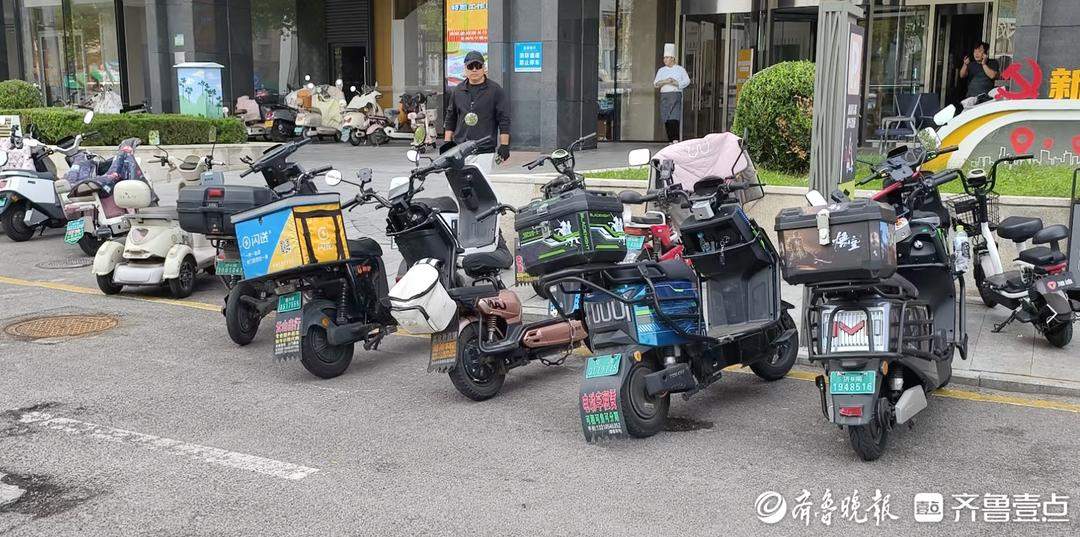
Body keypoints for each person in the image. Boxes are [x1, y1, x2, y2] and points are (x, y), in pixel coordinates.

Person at [443, 50, 511, 162]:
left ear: (484, 68)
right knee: (459, 179)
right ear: (465, 68)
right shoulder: (458, 90)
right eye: (470, 66)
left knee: (479, 179)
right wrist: (447, 142)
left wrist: (504, 145)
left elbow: (504, 119)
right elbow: (451, 118)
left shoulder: (495, 90)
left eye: (478, 66)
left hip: (484, 148)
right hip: (460, 148)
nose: (474, 69)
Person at [653, 43, 690, 143]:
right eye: (664, 57)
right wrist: (666, 81)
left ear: (673, 58)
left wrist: (676, 83)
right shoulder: (661, 70)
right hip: (665, 97)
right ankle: (670, 139)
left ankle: (675, 140)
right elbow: (656, 83)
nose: (665, 60)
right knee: (667, 118)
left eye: (667, 57)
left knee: (674, 118)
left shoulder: (680, 70)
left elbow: (687, 81)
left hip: (675, 96)